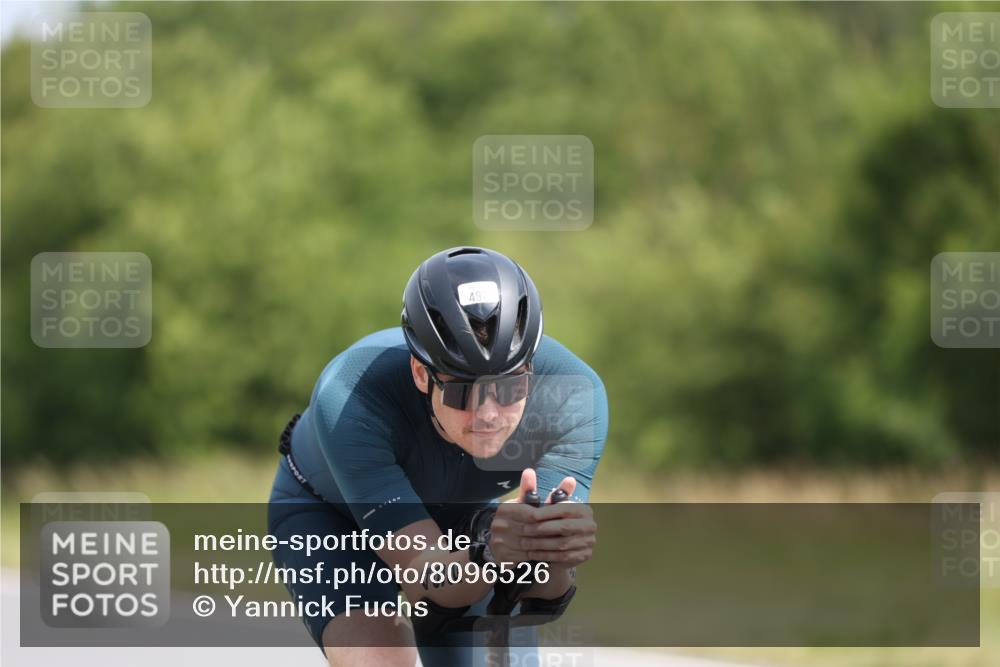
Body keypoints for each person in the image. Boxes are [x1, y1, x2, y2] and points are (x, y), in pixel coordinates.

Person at [267, 246, 608, 667]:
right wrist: (487, 552)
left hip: (468, 523)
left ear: (531, 372)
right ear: (419, 373)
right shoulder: (351, 395)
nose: (487, 415)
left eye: (507, 389)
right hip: (330, 517)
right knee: (377, 655)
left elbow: (541, 599)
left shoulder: (574, 400)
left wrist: (553, 553)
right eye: (462, 391)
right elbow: (425, 579)